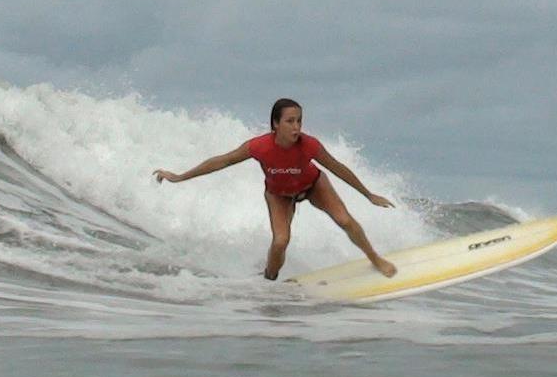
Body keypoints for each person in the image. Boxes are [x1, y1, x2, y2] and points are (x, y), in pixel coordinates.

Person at [153, 99, 398, 281]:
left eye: (299, 121)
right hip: (278, 195)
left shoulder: (310, 145)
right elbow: (222, 161)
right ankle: (269, 281)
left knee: (345, 220)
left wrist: (368, 195)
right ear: (275, 124)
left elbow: (337, 167)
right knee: (280, 241)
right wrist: (180, 177)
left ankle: (375, 259)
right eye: (290, 121)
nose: (297, 127)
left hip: (313, 185)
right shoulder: (259, 147)